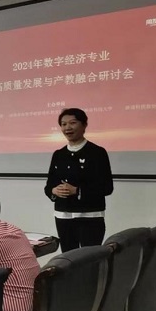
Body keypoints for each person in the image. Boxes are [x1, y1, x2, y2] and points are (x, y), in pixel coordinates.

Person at [44, 108, 113, 252]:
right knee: (68, 257)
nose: (67, 128)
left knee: (90, 258)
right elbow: (49, 186)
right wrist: (54, 191)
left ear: (84, 125)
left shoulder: (97, 152)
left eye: (72, 123)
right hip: (63, 215)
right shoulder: (58, 154)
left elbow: (107, 187)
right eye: (63, 124)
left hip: (90, 215)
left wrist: (77, 190)